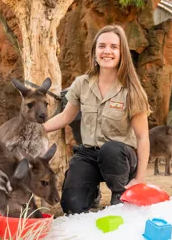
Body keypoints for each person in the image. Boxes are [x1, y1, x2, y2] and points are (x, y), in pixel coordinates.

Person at [43, 24, 151, 214]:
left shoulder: (132, 90)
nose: (107, 51)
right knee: (72, 207)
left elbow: (142, 137)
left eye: (113, 47)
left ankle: (120, 194)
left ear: (122, 53)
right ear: (94, 52)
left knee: (111, 149)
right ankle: (91, 193)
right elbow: (66, 116)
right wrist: (36, 129)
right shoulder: (82, 83)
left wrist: (140, 177)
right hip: (89, 154)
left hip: (120, 157)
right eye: (102, 46)